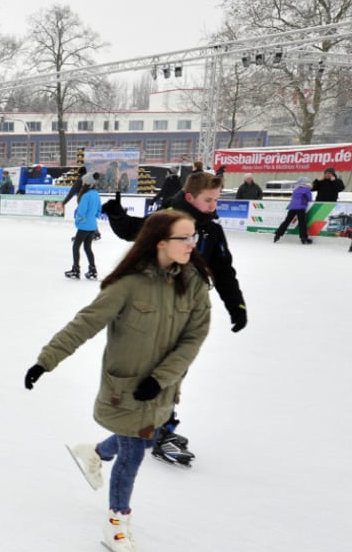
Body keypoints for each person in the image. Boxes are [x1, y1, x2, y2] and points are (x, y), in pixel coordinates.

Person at [24, 210, 212, 552]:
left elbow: (195, 336)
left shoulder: (194, 283)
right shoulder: (128, 284)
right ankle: (117, 522)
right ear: (161, 242)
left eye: (193, 237)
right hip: (124, 390)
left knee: (142, 438)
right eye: (184, 238)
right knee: (134, 452)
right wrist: (46, 361)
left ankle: (94, 451)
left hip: (161, 388)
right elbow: (86, 323)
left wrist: (162, 377)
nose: (193, 244)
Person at [101, 171, 246, 466]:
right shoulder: (167, 220)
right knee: (154, 371)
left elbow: (223, 270)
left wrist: (237, 305)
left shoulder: (210, 230)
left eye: (217, 200)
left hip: (187, 311)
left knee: (173, 371)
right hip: (152, 307)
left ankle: (155, 427)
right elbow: (134, 231)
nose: (213, 205)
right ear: (191, 197)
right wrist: (116, 215)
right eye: (209, 200)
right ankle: (153, 428)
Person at [65, 170, 102, 280]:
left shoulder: (85, 196)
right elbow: (99, 210)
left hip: (84, 226)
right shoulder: (96, 194)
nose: (82, 183)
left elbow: (81, 212)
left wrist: (78, 222)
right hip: (92, 226)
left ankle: (76, 270)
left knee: (76, 246)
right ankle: (92, 270)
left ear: (87, 183)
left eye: (84, 181)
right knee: (87, 248)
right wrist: (93, 217)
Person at [273, 177, 314, 244]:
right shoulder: (307, 189)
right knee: (302, 222)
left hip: (292, 207)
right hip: (301, 207)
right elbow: (310, 199)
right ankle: (304, 238)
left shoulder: (296, 189)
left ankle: (277, 235)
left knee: (287, 221)